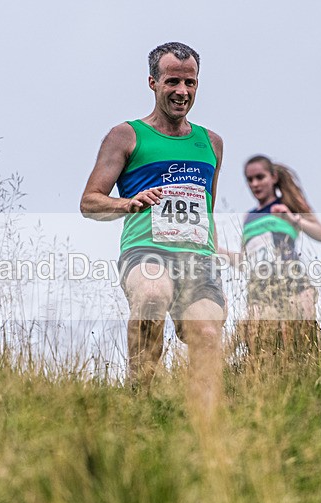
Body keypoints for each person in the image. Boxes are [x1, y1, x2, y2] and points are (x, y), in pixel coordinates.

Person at [80, 42, 225, 407]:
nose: (182, 92)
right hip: (146, 251)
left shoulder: (211, 143)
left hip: (198, 259)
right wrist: (128, 203)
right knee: (151, 297)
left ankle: (203, 419)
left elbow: (207, 208)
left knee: (207, 331)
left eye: (190, 83)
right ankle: (141, 402)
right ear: (153, 83)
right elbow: (90, 202)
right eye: (173, 81)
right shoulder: (126, 135)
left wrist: (216, 250)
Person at [227, 155, 321, 355]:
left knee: (301, 344)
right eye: (250, 179)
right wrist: (217, 251)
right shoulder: (249, 217)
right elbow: (246, 261)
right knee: (258, 345)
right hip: (261, 289)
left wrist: (292, 218)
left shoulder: (287, 204)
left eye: (260, 177)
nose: (255, 184)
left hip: (293, 283)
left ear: (273, 177)